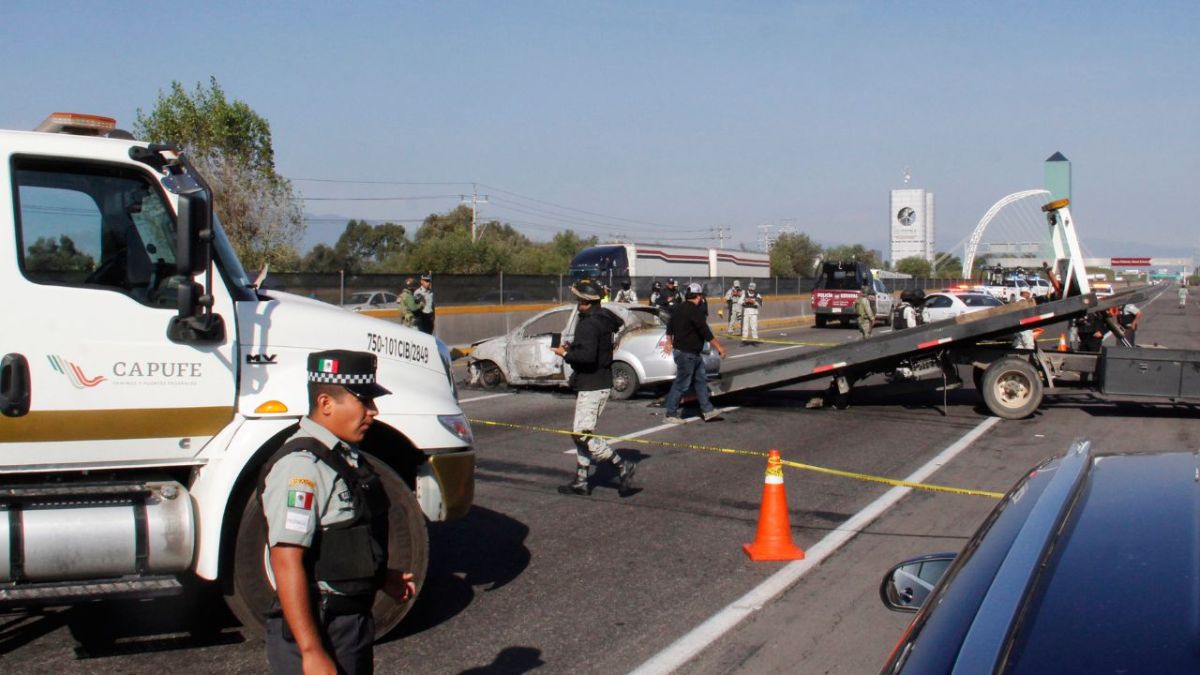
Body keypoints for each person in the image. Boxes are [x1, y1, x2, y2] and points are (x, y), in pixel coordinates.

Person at [261, 350, 416, 675]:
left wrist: (377, 577)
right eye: (364, 401)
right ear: (326, 403)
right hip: (320, 625)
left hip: (350, 623)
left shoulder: (344, 458)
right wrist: (311, 650)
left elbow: (342, 537)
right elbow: (286, 561)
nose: (373, 412)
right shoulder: (300, 468)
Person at [550, 279, 638, 496]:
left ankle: (621, 466)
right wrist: (575, 347)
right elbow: (595, 349)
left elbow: (587, 358)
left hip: (592, 383)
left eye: (579, 299)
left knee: (581, 434)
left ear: (586, 302)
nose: (577, 303)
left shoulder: (589, 323)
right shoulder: (603, 318)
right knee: (580, 433)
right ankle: (581, 480)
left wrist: (566, 353)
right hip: (597, 382)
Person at [664, 283, 727, 423]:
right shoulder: (695, 312)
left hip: (689, 353)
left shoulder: (678, 309)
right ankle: (670, 414)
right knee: (682, 383)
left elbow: (669, 326)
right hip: (687, 354)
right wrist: (719, 348)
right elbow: (706, 332)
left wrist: (669, 341)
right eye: (700, 296)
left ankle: (708, 410)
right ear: (698, 296)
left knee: (701, 381)